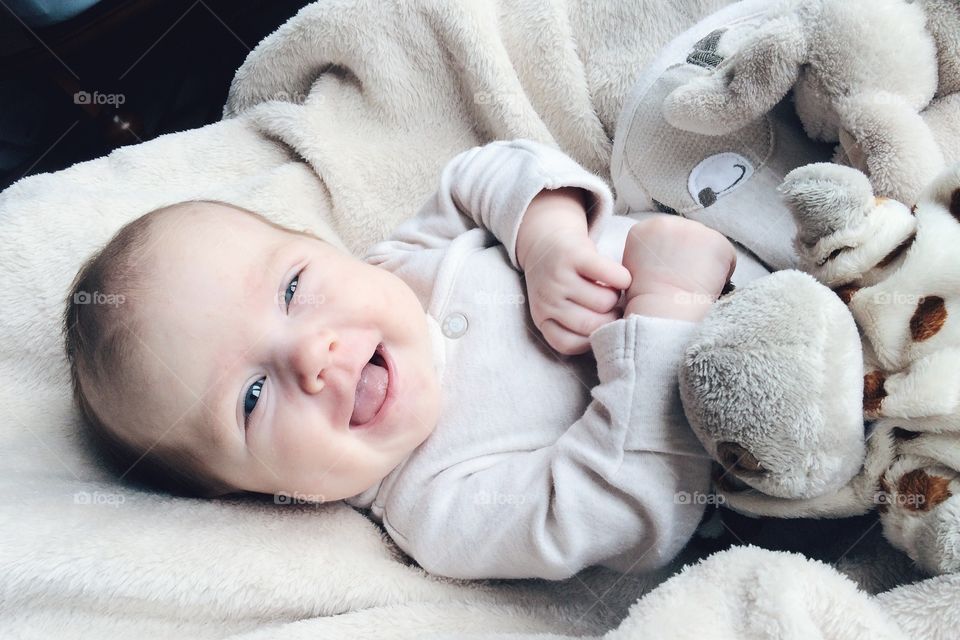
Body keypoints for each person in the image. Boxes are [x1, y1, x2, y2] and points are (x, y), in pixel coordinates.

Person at [64, 138, 740, 580]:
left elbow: (486, 172)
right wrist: (669, 307)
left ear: (323, 246)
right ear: (259, 496)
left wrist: (546, 240)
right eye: (251, 396)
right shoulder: (439, 509)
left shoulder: (400, 262)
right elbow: (625, 509)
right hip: (767, 401)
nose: (310, 354)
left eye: (293, 288)